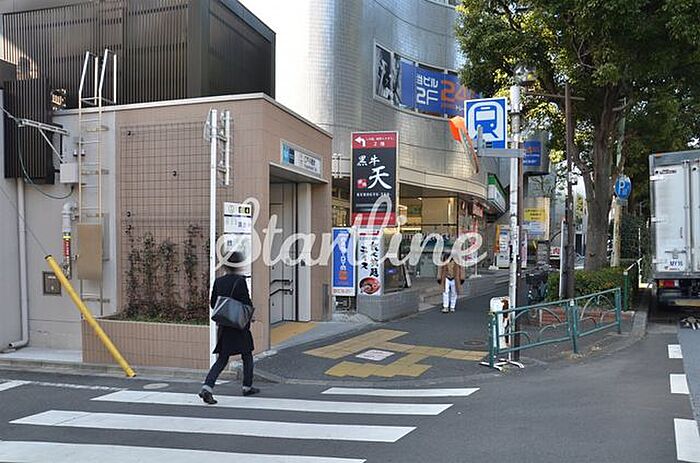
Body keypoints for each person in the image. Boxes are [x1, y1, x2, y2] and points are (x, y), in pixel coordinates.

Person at [199, 251, 258, 404]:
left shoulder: (219, 282)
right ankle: (247, 386)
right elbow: (246, 303)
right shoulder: (240, 281)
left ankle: (207, 387)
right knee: (247, 355)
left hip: (224, 326)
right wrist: (250, 316)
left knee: (222, 359)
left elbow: (214, 303)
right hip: (239, 326)